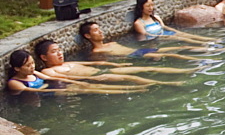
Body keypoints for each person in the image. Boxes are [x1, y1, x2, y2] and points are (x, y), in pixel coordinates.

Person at [35, 40, 187, 86]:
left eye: (59, 50)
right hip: (97, 78)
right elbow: (66, 80)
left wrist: (116, 65)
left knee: (144, 67)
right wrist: (92, 80)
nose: (60, 53)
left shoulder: (68, 62)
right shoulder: (48, 71)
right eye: (54, 52)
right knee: (131, 78)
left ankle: (183, 72)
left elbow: (91, 64)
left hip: (102, 72)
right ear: (44, 57)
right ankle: (166, 84)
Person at [6, 49, 146, 95]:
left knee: (88, 86)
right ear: (17, 68)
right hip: (49, 94)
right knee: (92, 90)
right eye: (27, 65)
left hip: (54, 88)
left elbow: (54, 78)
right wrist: (51, 88)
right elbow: (38, 92)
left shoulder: (34, 74)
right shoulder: (14, 83)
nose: (32, 67)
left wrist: (75, 81)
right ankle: (130, 91)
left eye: (32, 63)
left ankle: (132, 88)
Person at [79, 22, 204, 61]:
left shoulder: (111, 43)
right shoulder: (96, 51)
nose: (100, 31)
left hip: (139, 51)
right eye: (95, 30)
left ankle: (207, 51)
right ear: (87, 35)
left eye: (100, 28)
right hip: (134, 55)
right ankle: (197, 60)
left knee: (181, 46)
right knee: (172, 53)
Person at [133, 0, 214, 45]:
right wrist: (163, 36)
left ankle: (211, 41)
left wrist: (177, 32)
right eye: (148, 6)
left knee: (186, 35)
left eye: (152, 5)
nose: (151, 8)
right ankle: (205, 44)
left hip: (165, 34)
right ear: (141, 7)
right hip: (158, 38)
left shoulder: (156, 17)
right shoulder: (139, 23)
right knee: (184, 39)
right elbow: (146, 35)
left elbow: (164, 27)